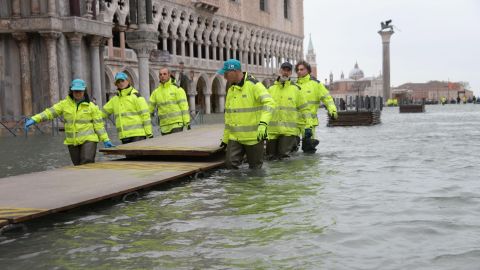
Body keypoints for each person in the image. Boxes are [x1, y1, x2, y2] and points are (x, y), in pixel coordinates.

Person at [24, 79, 113, 166]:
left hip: (89, 140)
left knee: (87, 162)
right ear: (71, 91)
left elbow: (99, 125)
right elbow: (50, 112)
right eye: (75, 91)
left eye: (80, 91)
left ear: (84, 91)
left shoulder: (92, 107)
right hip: (72, 142)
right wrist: (35, 119)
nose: (78, 93)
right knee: (77, 165)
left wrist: (105, 139)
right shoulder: (64, 104)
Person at [218, 59, 276, 169]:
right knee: (230, 167)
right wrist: (226, 138)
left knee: (255, 170)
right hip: (235, 138)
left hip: (254, 138)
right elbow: (229, 117)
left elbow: (270, 103)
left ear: (234, 71)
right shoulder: (231, 90)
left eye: (226, 73)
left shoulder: (254, 85)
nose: (224, 77)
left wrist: (263, 124)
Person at [266, 62, 311, 160]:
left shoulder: (296, 90)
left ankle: (287, 175)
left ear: (291, 73)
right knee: (270, 158)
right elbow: (264, 109)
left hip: (289, 131)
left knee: (284, 157)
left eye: (288, 70)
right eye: (284, 70)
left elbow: (305, 109)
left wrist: (308, 126)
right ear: (280, 71)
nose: (285, 72)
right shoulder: (270, 89)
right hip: (272, 131)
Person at [295, 60, 338, 153]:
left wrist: (333, 111)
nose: (299, 71)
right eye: (297, 70)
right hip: (294, 124)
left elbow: (328, 99)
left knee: (309, 150)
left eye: (302, 69)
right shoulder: (294, 85)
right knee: (292, 151)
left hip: (309, 124)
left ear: (308, 70)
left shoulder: (316, 85)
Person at [101, 72, 152, 144]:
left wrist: (149, 133)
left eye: (122, 81)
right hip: (124, 136)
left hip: (138, 135)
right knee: (129, 155)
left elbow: (145, 115)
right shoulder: (114, 100)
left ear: (128, 81)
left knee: (137, 155)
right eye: (118, 82)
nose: (121, 83)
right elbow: (102, 113)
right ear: (116, 84)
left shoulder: (136, 96)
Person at [149, 67, 190, 135]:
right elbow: (149, 109)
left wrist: (187, 122)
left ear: (169, 75)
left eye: (164, 74)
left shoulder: (177, 89)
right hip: (164, 126)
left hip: (177, 124)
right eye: (160, 74)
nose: (162, 76)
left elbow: (184, 108)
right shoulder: (155, 92)